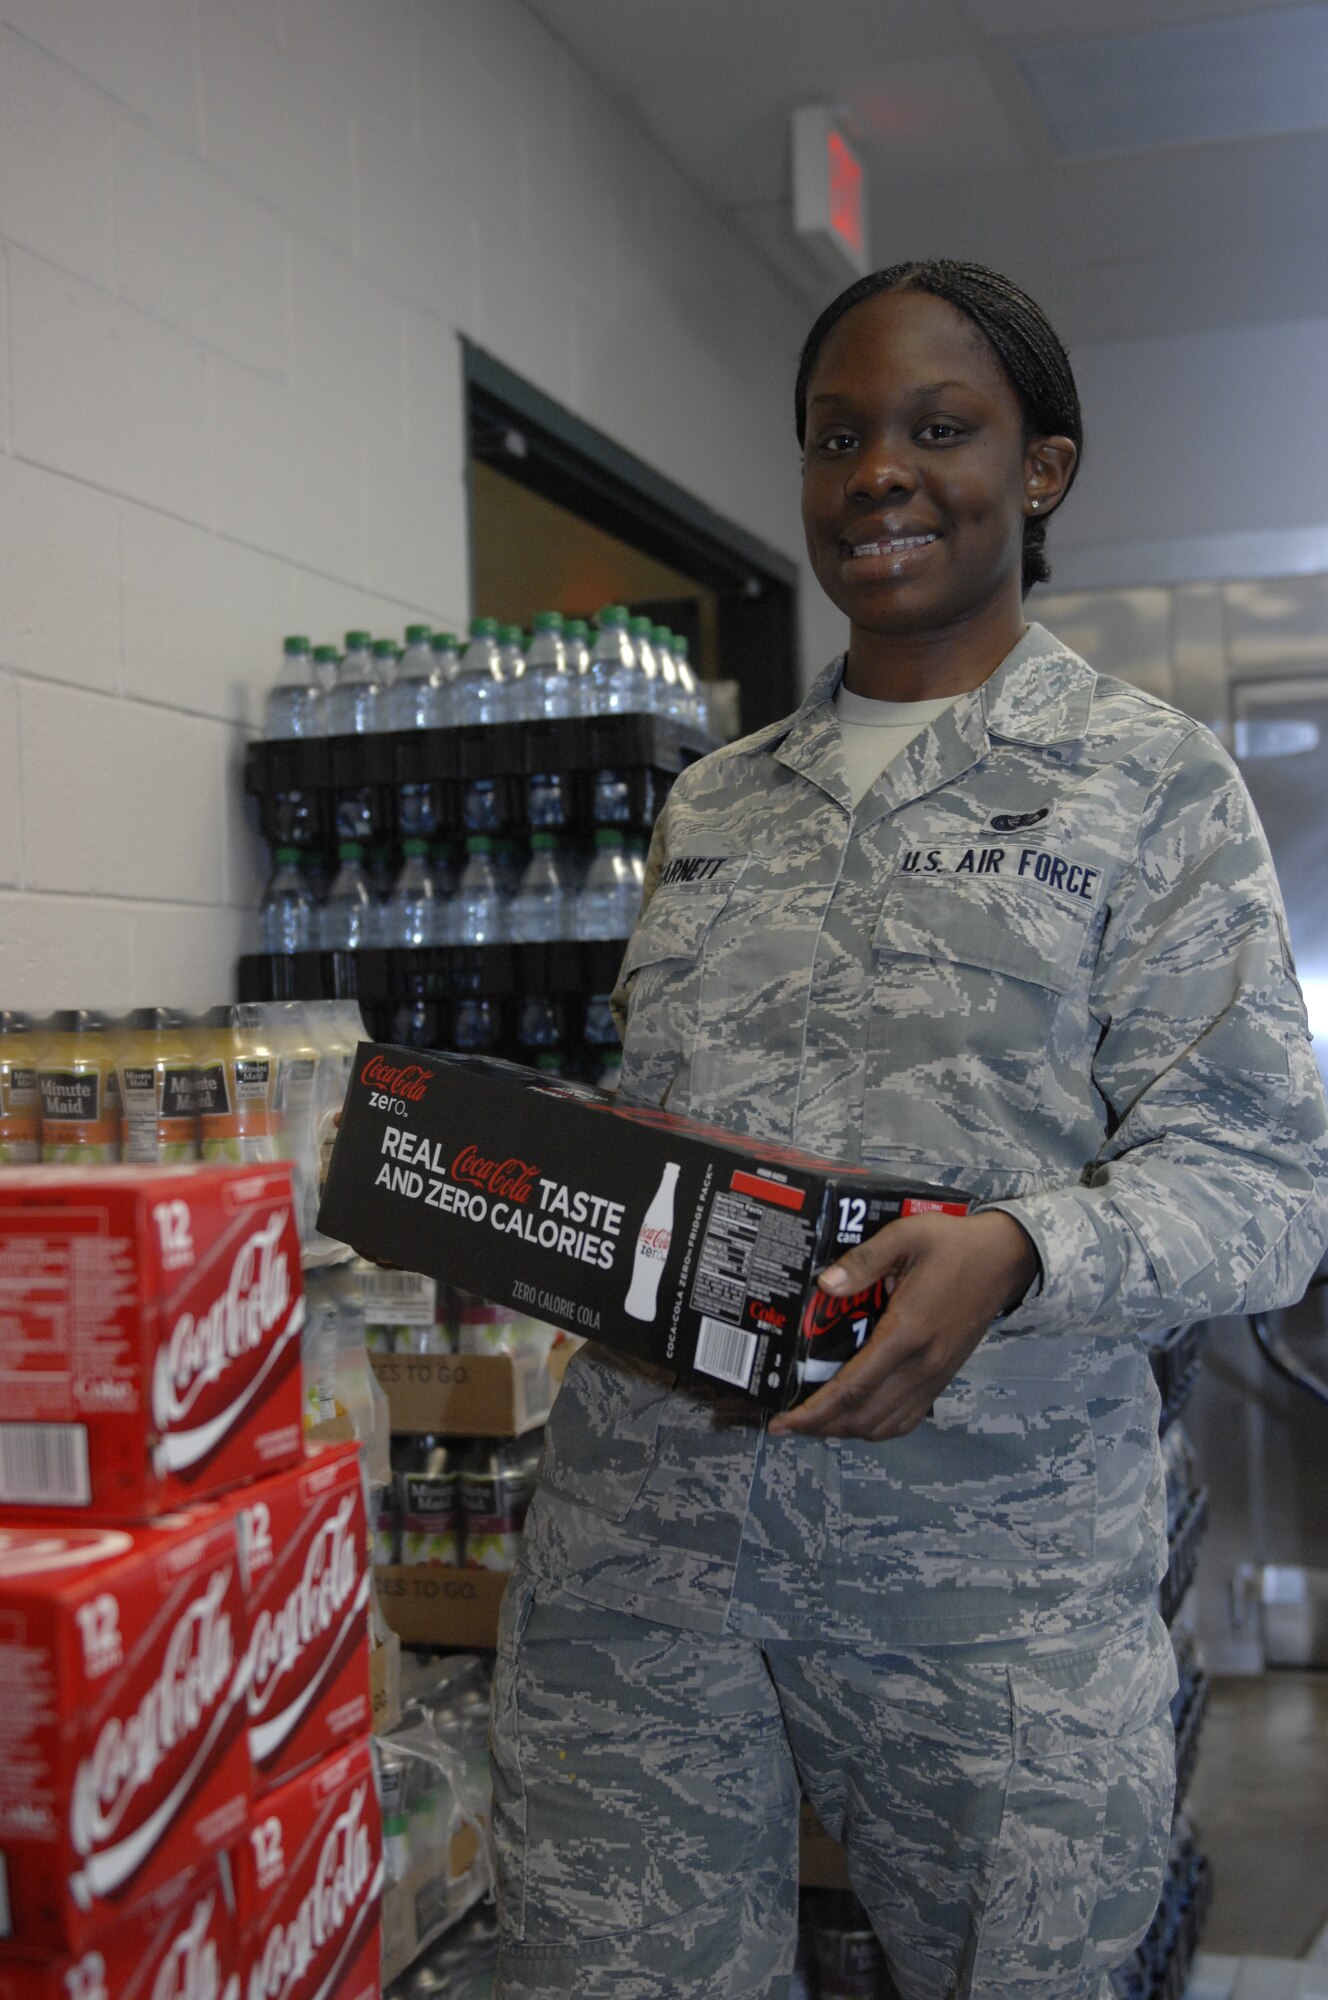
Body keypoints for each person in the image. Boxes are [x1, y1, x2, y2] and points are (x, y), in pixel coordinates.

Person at [489, 260, 1328, 2000]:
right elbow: (686, 1131)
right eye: (838, 436)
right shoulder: (714, 798)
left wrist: (1027, 1249)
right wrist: (549, 1180)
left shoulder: (1151, 784)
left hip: (990, 1589)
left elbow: (1261, 1184)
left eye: (941, 430)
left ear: (1042, 469)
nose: (880, 472)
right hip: (649, 1562)